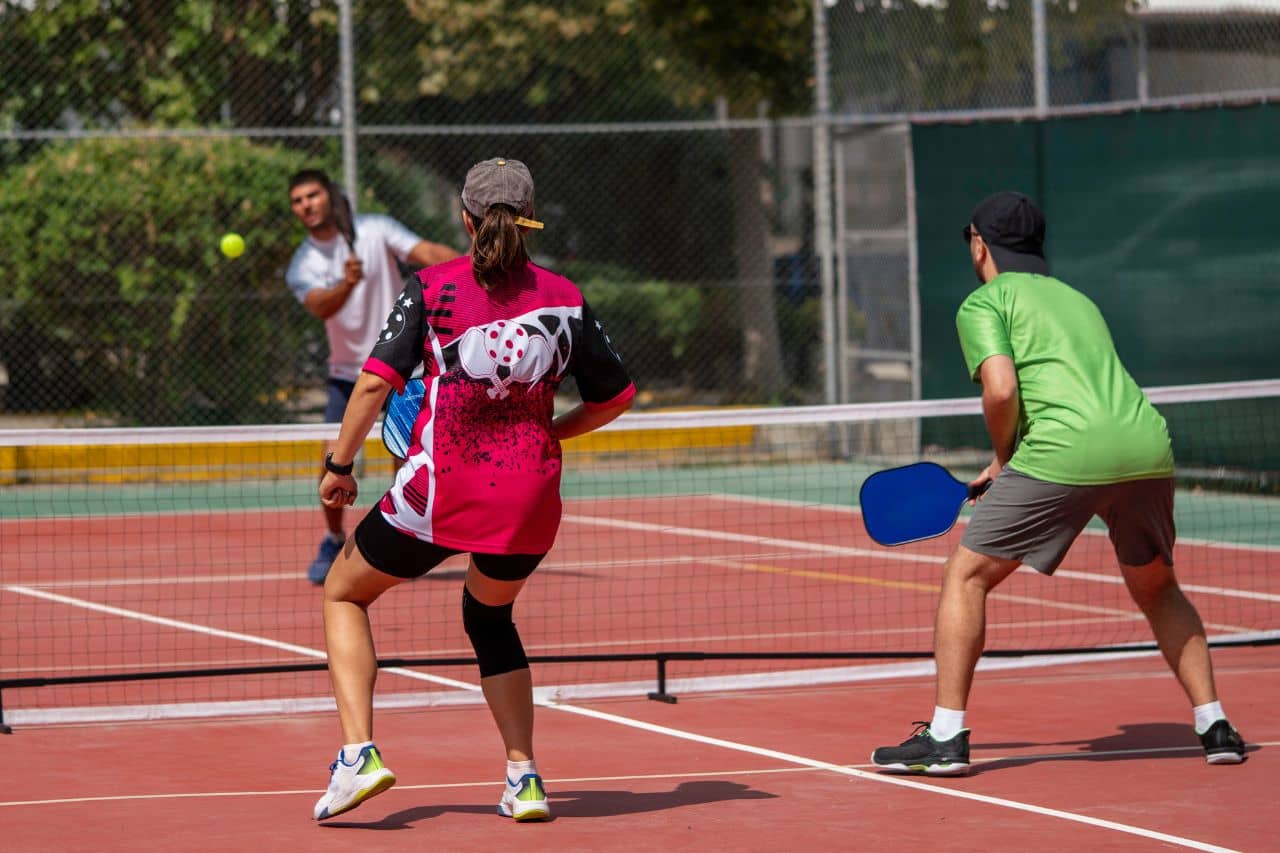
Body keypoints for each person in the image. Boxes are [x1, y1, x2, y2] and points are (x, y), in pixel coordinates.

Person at [870, 191, 1247, 776]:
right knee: (1158, 589)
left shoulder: (985, 301)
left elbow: (1000, 389)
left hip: (1066, 450)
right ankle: (1215, 724)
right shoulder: (1078, 299)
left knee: (966, 576)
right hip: (1146, 447)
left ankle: (945, 736)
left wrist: (1005, 457)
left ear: (979, 245)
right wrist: (1009, 462)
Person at [310, 158, 635, 822]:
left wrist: (339, 465)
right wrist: (553, 431)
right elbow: (616, 396)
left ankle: (358, 756)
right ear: (530, 221)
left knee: (343, 591)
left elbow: (373, 383)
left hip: (441, 493)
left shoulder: (433, 287)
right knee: (489, 618)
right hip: (531, 501)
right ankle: (525, 777)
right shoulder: (565, 296)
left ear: (465, 218)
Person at [286, 169, 460, 584]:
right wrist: (346, 285)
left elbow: (424, 251)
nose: (306, 205)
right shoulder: (302, 263)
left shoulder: (376, 229)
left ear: (329, 197)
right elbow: (320, 307)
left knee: (409, 459)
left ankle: (407, 538)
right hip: (347, 377)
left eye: (312, 195)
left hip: (401, 368)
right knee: (331, 460)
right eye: (297, 201)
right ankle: (332, 538)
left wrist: (476, 265)